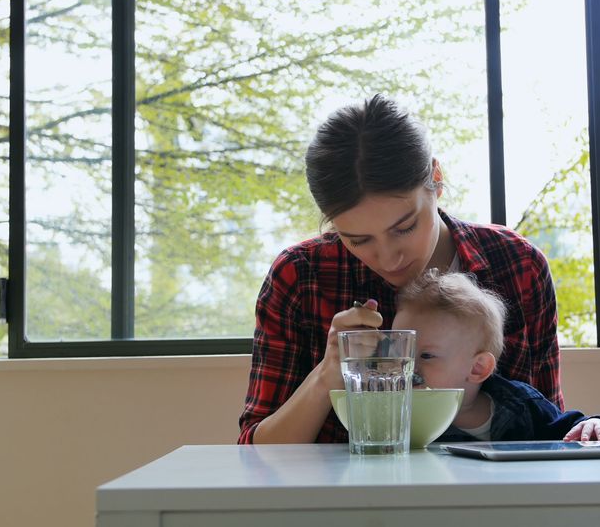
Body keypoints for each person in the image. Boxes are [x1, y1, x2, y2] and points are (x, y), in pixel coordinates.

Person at [239, 94, 563, 444]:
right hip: (341, 496)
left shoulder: (517, 264)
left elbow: (550, 436)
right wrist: (327, 374)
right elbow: (257, 456)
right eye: (358, 240)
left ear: (436, 179)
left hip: (489, 495)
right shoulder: (301, 277)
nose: (389, 259)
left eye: (404, 227)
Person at [393, 269, 600, 442]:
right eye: (400, 354)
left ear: (477, 368)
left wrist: (593, 425)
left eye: (427, 355)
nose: (408, 367)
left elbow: (569, 431)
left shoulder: (522, 404)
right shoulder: (397, 414)